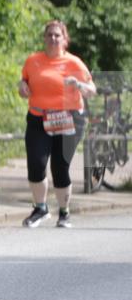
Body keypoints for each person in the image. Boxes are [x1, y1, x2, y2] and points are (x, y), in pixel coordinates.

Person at [18, 20, 96, 228]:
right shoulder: (33, 61)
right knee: (36, 163)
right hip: (38, 117)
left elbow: (92, 90)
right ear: (44, 38)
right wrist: (22, 86)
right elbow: (23, 81)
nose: (53, 39)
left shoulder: (74, 63)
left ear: (64, 39)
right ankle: (40, 209)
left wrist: (78, 84)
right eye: (49, 35)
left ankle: (64, 212)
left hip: (68, 119)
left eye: (57, 35)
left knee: (60, 166)